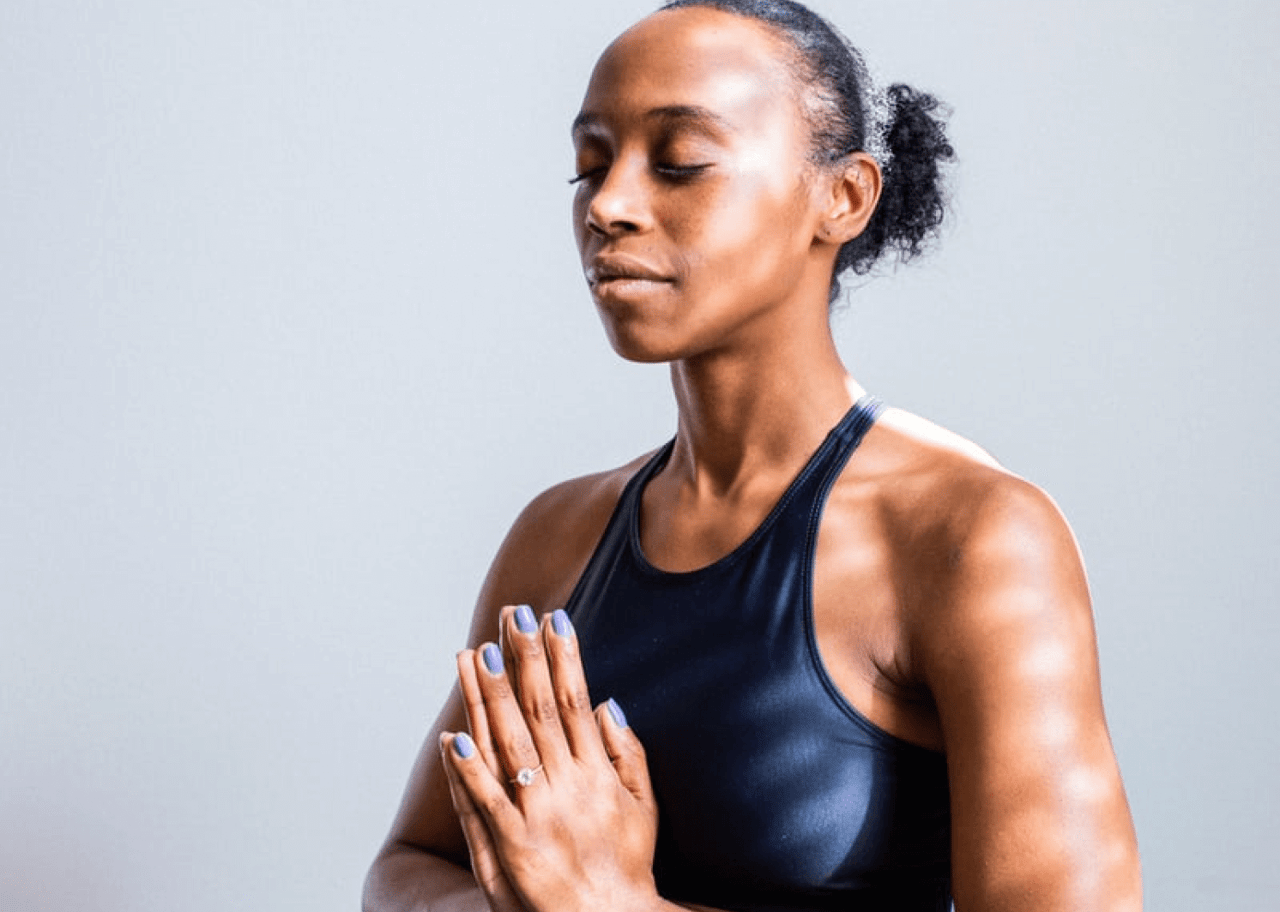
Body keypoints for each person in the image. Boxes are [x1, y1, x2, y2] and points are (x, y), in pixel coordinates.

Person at [363, 1, 1143, 910]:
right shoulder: (556, 537)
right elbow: (407, 870)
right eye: (589, 165)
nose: (608, 205)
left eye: (679, 163)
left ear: (842, 197)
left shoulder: (973, 538)